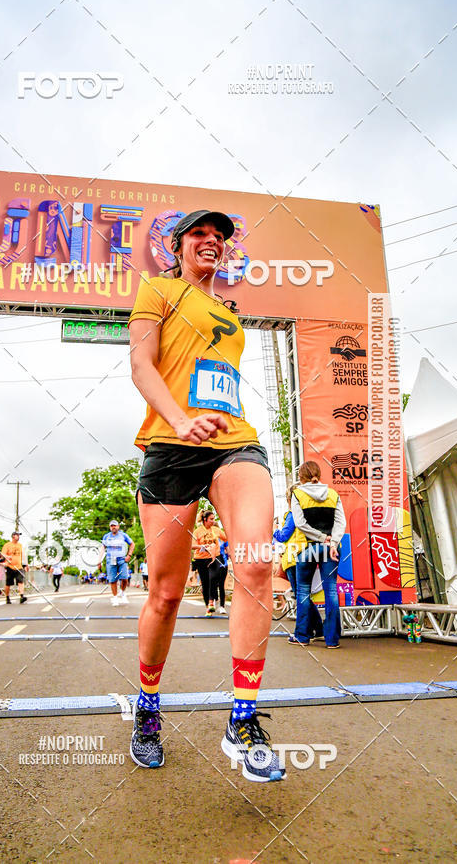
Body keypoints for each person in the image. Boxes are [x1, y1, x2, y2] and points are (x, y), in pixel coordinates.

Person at [127, 209, 285, 782]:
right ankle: (147, 708)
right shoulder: (159, 289)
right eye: (200, 234)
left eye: (220, 237)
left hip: (235, 444)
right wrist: (179, 417)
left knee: (255, 561)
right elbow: (141, 364)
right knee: (166, 593)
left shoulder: (230, 310)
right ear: (178, 245)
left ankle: (242, 718)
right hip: (170, 445)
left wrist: (209, 420)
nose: (212, 242)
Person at [290, 461, 346, 649]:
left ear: (301, 477)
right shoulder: (333, 494)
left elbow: (300, 524)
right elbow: (340, 523)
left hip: (308, 548)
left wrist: (321, 538)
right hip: (331, 548)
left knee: (303, 591)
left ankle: (303, 636)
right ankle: (332, 640)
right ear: (319, 475)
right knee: (331, 591)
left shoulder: (297, 494)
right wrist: (332, 542)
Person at [273, 486, 322, 639]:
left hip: (294, 558)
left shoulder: (292, 514)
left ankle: (304, 632)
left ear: (289, 500)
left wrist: (274, 529)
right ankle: (319, 629)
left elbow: (283, 536)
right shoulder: (309, 513)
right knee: (304, 596)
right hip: (308, 555)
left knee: (302, 597)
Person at [191, 510, 226, 616]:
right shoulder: (197, 531)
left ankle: (211, 601)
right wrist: (202, 547)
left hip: (215, 557)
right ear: (205, 519)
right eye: (211, 519)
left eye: (214, 519)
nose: (213, 521)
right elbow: (192, 546)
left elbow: (226, 537)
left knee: (213, 577)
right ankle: (208, 607)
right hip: (201, 559)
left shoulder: (216, 530)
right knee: (205, 583)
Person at [98, 520, 134, 607]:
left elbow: (132, 544)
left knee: (125, 578)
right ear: (110, 527)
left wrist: (129, 555)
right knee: (113, 580)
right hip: (111, 559)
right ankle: (115, 598)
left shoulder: (123, 535)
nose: (113, 527)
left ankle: (122, 592)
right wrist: (99, 561)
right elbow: (102, 549)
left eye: (115, 525)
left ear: (118, 526)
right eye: (111, 526)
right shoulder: (106, 536)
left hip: (122, 559)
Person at [0, 531, 27, 604]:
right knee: (8, 583)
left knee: (20, 581)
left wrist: (26, 564)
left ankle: (22, 596)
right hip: (10, 566)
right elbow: (2, 554)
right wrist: (7, 557)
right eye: (17, 535)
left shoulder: (20, 545)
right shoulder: (7, 545)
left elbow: (23, 555)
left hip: (19, 566)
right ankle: (7, 597)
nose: (18, 537)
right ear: (13, 536)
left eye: (19, 535)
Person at [217, 538, 229, 614]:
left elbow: (228, 550)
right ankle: (213, 600)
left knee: (221, 585)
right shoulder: (209, 538)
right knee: (213, 584)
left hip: (223, 564)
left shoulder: (224, 539)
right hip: (213, 564)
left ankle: (222, 606)